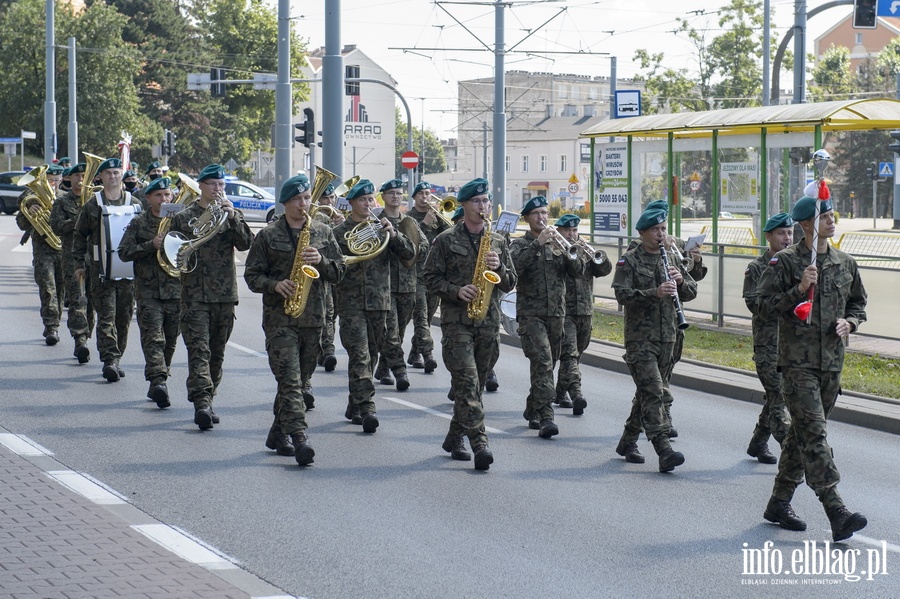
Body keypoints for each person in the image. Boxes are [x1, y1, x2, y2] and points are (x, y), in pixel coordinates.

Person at [756, 196, 868, 542]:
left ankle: (778, 502)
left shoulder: (845, 262)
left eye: (833, 215)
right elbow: (762, 306)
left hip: (831, 364)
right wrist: (800, 288)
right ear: (805, 224)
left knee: (799, 437)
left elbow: (858, 303)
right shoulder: (785, 262)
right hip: (796, 364)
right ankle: (836, 509)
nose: (832, 220)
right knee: (815, 435)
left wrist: (850, 322)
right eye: (825, 216)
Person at [244, 174, 346, 466]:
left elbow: (339, 272)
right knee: (289, 380)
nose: (304, 204)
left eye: (306, 199)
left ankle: (278, 432)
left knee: (299, 381)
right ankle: (299, 436)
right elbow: (252, 276)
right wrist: (275, 285)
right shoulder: (268, 235)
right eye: (298, 200)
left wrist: (322, 262)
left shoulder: (324, 232)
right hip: (280, 319)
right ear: (286, 203)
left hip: (313, 318)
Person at [424, 177, 516, 470]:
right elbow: (429, 278)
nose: (482, 206)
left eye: (485, 201)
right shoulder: (446, 240)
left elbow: (511, 282)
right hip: (457, 323)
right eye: (476, 201)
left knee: (473, 388)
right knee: (466, 383)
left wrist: (499, 268)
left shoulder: (499, 241)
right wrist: (456, 290)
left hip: (488, 324)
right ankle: (480, 443)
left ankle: (454, 437)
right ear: (463, 206)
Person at [169, 164, 254, 430]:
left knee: (217, 353)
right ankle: (201, 401)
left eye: (221, 185)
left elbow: (246, 244)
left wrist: (234, 218)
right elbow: (174, 253)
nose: (218, 189)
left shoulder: (231, 214)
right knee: (199, 351)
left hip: (225, 295)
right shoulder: (184, 217)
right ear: (201, 186)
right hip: (194, 295)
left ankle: (210, 397)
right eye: (213, 185)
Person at [612, 207, 697, 472]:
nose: (661, 234)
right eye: (655, 230)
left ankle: (627, 441)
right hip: (641, 339)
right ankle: (663, 449)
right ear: (643, 233)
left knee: (646, 394)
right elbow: (622, 295)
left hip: (669, 337)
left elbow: (691, 292)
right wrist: (654, 292)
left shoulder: (670, 256)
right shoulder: (630, 261)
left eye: (663, 229)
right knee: (654, 392)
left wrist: (681, 281)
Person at [331, 179, 415, 433]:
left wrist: (394, 234)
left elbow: (410, 254)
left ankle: (354, 403)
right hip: (351, 303)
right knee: (359, 355)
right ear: (353, 203)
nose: (368, 205)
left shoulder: (381, 229)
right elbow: (333, 267)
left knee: (371, 355)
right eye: (363, 200)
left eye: (371, 200)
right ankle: (367, 407)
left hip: (380, 303)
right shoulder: (339, 233)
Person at [510, 196, 584, 438]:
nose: (542, 218)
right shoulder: (520, 245)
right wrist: (537, 244)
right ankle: (546, 417)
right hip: (531, 316)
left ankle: (533, 406)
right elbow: (514, 268)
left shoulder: (557, 244)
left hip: (557, 316)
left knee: (547, 367)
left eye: (544, 213)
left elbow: (577, 272)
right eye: (536, 214)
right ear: (527, 218)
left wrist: (570, 249)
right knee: (542, 362)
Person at [72, 157, 142, 382]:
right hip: (100, 271)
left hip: (128, 272)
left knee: (123, 318)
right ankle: (109, 359)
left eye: (116, 172)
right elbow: (79, 235)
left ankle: (117, 356)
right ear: (100, 177)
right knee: (106, 317)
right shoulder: (93, 204)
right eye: (108, 173)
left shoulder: (135, 203)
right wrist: (79, 265)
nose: (113, 176)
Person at [117, 177, 182, 409]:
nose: (164, 199)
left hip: (177, 291)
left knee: (170, 342)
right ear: (148, 199)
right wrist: (149, 245)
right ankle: (158, 381)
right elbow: (124, 252)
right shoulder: (138, 223)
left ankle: (160, 377)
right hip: (148, 291)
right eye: (158, 195)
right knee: (154, 338)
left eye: (167, 195)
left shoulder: (180, 222)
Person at [741, 212, 794, 464]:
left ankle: (758, 443)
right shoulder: (757, 268)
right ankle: (793, 451)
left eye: (790, 233)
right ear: (769, 236)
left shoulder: (797, 265)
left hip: (792, 345)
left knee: (777, 395)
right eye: (782, 233)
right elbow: (754, 304)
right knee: (778, 396)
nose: (787, 238)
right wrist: (789, 299)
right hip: (767, 345)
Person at [552, 214, 612, 415]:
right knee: (569, 354)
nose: (572, 234)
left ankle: (560, 391)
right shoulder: (555, 250)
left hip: (585, 311)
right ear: (559, 230)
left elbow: (604, 270)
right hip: (565, 311)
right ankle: (576, 393)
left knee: (577, 354)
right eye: (567, 230)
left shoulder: (584, 251)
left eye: (575, 230)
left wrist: (592, 252)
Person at [373, 179, 427, 390]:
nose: (396, 196)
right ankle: (400, 371)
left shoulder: (410, 223)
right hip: (384, 286)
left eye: (399, 193)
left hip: (407, 285)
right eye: (391, 193)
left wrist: (408, 247)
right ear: (383, 197)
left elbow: (422, 247)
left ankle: (383, 367)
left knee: (400, 332)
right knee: (391, 333)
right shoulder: (376, 221)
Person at [16, 164, 66, 346]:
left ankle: (55, 321)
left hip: (63, 250)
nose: (52, 184)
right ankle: (51, 326)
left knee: (61, 289)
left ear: (61, 180)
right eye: (49, 180)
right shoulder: (30, 196)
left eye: (55, 180)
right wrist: (29, 212)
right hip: (43, 250)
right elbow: (21, 224)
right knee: (47, 287)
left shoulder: (65, 198)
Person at [49, 162, 94, 363]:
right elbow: (56, 226)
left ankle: (87, 333)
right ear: (69, 178)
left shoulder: (96, 200)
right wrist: (78, 222)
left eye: (85, 175)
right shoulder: (61, 202)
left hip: (95, 259)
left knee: (92, 303)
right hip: (72, 259)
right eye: (77, 175)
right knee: (77, 299)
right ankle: (80, 339)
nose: (81, 179)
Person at [406, 181, 445, 372]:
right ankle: (427, 354)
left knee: (427, 318)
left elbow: (450, 235)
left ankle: (414, 352)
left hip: (434, 276)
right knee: (420, 316)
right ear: (414, 197)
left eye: (428, 193)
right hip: (415, 275)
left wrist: (441, 217)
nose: (425, 197)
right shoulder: (408, 218)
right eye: (421, 194)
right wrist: (425, 223)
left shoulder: (437, 217)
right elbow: (409, 242)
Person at [312, 181, 344, 372]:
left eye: (332, 198)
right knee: (323, 313)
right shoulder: (313, 219)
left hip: (334, 272)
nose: (330, 202)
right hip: (315, 275)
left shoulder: (338, 219)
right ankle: (324, 350)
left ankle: (328, 350)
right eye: (325, 198)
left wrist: (341, 226)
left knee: (330, 314)